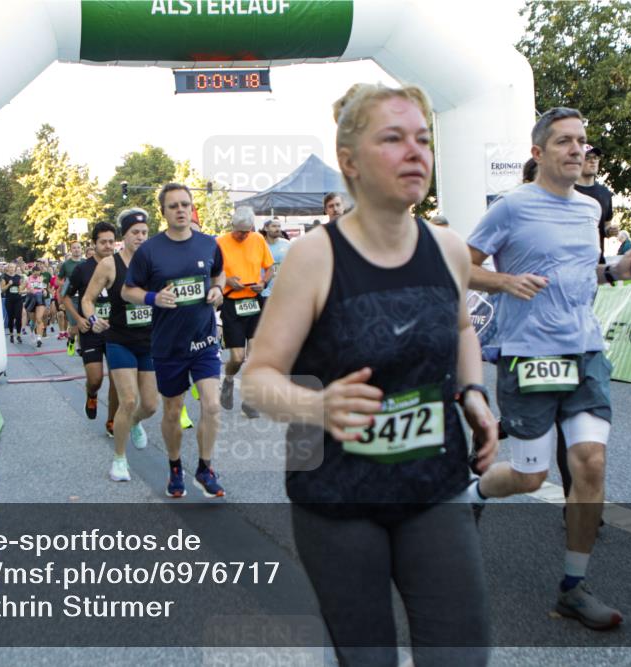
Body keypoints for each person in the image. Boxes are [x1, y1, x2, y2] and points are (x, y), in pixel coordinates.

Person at [240, 83, 498, 666]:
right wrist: (318, 407)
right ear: (350, 162)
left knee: (462, 654)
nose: (416, 153)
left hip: (433, 482)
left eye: (423, 140)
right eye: (394, 139)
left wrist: (474, 394)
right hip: (338, 496)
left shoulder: (449, 249)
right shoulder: (316, 257)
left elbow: (460, 329)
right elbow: (257, 378)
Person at [466, 106, 631, 632]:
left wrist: (617, 269)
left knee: (589, 461)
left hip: (585, 350)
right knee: (530, 475)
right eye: (566, 141)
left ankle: (574, 586)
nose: (577, 150)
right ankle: (472, 492)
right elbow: (462, 265)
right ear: (538, 152)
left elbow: (579, 275)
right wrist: (504, 283)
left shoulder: (590, 210)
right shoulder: (510, 208)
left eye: (583, 142)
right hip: (530, 354)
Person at [122, 183, 227, 499]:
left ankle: (205, 469)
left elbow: (220, 273)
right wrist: (153, 297)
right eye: (173, 206)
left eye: (185, 204)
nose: (181, 210)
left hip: (204, 339)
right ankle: (175, 467)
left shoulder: (209, 244)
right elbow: (129, 291)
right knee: (172, 410)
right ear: (163, 212)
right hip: (168, 345)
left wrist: (218, 290)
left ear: (191, 207)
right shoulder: (150, 251)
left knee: (211, 404)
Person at [83, 209, 159, 481]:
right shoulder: (109, 265)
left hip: (149, 341)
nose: (140, 237)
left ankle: (136, 422)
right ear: (123, 237)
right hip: (119, 340)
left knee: (150, 405)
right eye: (134, 233)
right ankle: (119, 460)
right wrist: (93, 319)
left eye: (144, 233)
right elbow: (87, 299)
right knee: (128, 399)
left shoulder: (154, 262)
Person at [216, 206, 274, 418]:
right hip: (232, 303)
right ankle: (229, 379)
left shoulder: (258, 239)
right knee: (238, 357)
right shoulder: (220, 243)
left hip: (254, 301)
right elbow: (213, 274)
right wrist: (227, 281)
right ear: (232, 226)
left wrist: (263, 282)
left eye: (247, 231)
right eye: (240, 231)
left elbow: (270, 268)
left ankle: (250, 402)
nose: (243, 235)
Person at [65, 223, 120, 430]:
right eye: (103, 242)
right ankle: (92, 394)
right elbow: (65, 297)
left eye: (111, 241)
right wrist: (79, 319)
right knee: (96, 379)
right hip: (91, 330)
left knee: (117, 379)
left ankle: (112, 420)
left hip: (115, 331)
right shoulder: (82, 269)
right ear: (94, 244)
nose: (108, 246)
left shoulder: (120, 264)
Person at [574, 144, 615, 263]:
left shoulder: (605, 193)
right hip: (571, 262)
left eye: (596, 158)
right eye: (587, 158)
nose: (593, 161)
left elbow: (606, 224)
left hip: (597, 263)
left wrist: (609, 231)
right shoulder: (566, 191)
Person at [58, 241, 84, 347]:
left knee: (82, 325)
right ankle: (71, 340)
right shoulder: (66, 264)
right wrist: (66, 284)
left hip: (84, 298)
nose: (76, 249)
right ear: (71, 250)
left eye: (78, 247)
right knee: (74, 327)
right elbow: (57, 281)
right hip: (71, 299)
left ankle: (81, 348)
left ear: (81, 249)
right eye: (74, 248)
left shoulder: (86, 262)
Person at [260, 216, 291, 299]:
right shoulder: (259, 245)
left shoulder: (287, 244)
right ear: (266, 228)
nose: (277, 229)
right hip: (265, 293)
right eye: (274, 226)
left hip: (284, 292)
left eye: (279, 226)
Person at [24, 262, 50, 347]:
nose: (37, 275)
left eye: (39, 273)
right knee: (33, 321)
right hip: (31, 299)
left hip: (39, 300)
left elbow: (44, 289)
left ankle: (39, 339)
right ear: (33, 272)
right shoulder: (27, 279)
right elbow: (20, 290)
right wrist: (27, 291)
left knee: (39, 319)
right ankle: (32, 332)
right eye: (36, 273)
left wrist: (45, 291)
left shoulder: (41, 278)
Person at [1, 262, 26, 343]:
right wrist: (8, 284)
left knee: (18, 317)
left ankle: (18, 335)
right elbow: (2, 289)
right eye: (10, 267)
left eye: (13, 267)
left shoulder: (18, 277)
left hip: (18, 299)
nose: (11, 269)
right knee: (11, 318)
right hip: (9, 300)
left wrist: (22, 287)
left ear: (15, 268)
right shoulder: (4, 277)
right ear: (8, 268)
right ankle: (11, 334)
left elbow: (21, 288)